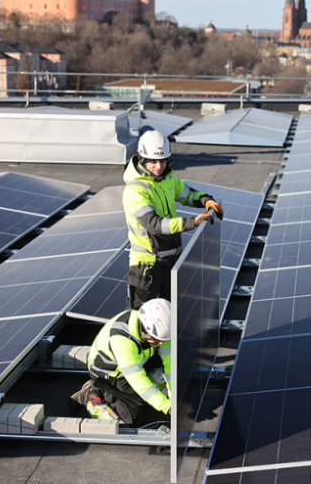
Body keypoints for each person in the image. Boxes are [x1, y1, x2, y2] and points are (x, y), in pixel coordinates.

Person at [123, 130, 222, 309]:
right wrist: (192, 222)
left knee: (168, 317)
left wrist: (205, 200)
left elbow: (187, 194)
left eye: (162, 161)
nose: (158, 166)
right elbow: (154, 224)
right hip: (147, 266)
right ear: (142, 159)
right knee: (143, 321)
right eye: (153, 162)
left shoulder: (168, 178)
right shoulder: (135, 190)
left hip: (171, 260)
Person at [76, 299, 174, 427]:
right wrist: (166, 406)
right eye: (157, 339)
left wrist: (174, 396)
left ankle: (139, 395)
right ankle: (89, 396)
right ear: (144, 330)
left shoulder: (159, 330)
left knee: (170, 377)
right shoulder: (122, 340)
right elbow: (137, 379)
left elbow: (170, 365)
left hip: (138, 361)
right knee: (128, 421)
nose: (161, 343)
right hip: (111, 375)